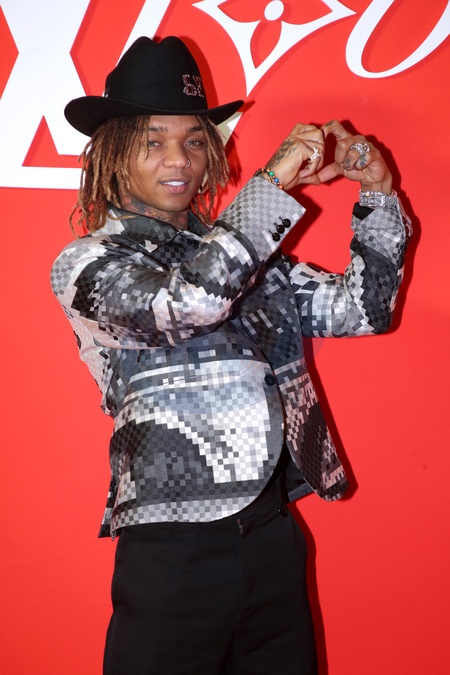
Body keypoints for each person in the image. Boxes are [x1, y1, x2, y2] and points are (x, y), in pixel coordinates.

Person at [51, 36, 410, 675]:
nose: (179, 159)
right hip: (172, 544)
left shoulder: (246, 257)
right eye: (153, 141)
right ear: (111, 153)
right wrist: (271, 185)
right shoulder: (89, 263)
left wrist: (378, 196)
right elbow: (190, 302)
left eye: (195, 140)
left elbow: (363, 310)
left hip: (272, 535)